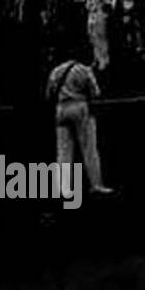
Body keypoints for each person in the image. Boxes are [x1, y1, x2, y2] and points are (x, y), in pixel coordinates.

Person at [46, 43, 113, 198]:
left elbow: (49, 93)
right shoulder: (84, 70)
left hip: (61, 108)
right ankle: (96, 184)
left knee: (63, 151)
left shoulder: (56, 71)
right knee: (89, 148)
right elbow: (95, 92)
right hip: (80, 106)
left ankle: (64, 188)